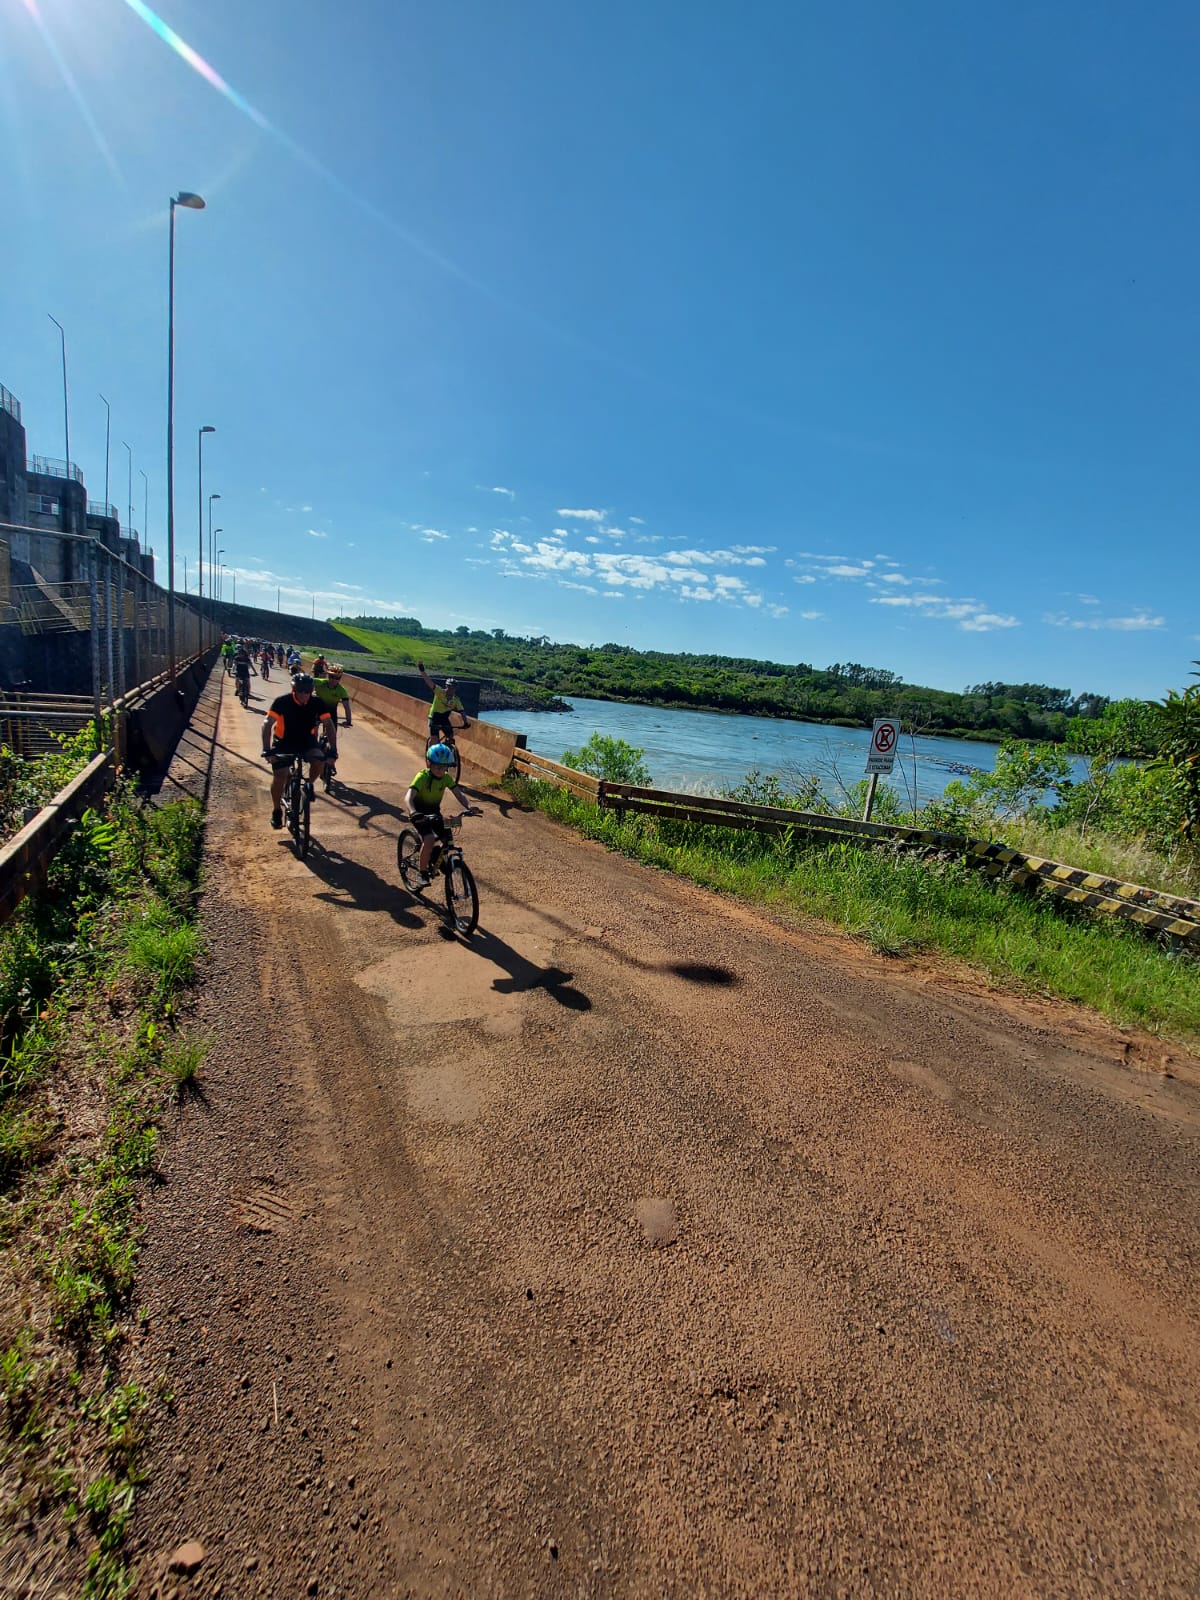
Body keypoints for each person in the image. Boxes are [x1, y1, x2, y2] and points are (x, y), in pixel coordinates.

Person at [261, 672, 333, 829]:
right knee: (280, 775)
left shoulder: (317, 703)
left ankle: (309, 785)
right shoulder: (282, 702)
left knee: (319, 760)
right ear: (294, 690)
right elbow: (267, 724)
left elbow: (328, 724)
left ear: (311, 691)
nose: (303, 695)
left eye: (307, 691)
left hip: (307, 741)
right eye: (300, 691)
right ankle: (276, 811)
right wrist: (267, 750)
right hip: (283, 742)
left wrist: (333, 751)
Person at [404, 743, 481, 884]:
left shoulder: (446, 778)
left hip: (434, 814)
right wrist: (413, 812)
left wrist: (470, 806)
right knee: (428, 839)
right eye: (437, 766)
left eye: (444, 767)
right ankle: (421, 873)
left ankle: (434, 857)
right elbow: (408, 797)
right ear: (429, 763)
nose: (441, 770)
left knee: (447, 834)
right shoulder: (422, 777)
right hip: (419, 815)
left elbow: (459, 794)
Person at [416, 660, 468, 747]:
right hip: (434, 717)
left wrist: (466, 722)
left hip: (444, 718)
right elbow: (429, 682)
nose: (452, 690)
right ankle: (429, 754)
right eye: (450, 687)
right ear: (446, 686)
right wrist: (422, 670)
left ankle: (449, 753)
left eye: (454, 688)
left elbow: (462, 711)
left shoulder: (456, 699)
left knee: (450, 737)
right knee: (434, 739)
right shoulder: (439, 692)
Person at [312, 664, 352, 769]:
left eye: (337, 678)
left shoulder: (341, 690)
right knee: (313, 730)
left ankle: (332, 762)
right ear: (328, 676)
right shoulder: (321, 683)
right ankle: (313, 748)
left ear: (340, 679)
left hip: (331, 712)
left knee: (332, 736)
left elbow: (347, 706)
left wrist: (348, 721)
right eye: (331, 677)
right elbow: (306, 681)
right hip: (317, 710)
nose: (334, 680)